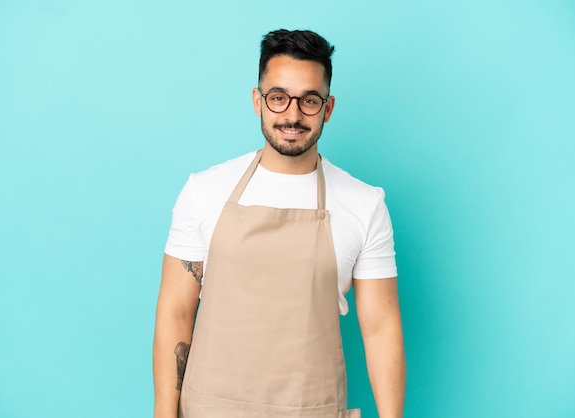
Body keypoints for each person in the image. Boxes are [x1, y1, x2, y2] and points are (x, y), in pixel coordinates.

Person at [153, 29, 405, 418]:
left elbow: (381, 329)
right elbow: (176, 312)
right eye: (278, 98)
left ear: (328, 108)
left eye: (309, 100)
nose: (292, 115)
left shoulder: (364, 204)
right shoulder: (203, 191)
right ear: (258, 101)